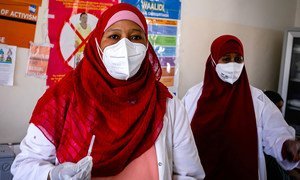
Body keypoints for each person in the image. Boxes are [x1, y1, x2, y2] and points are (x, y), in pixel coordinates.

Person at [11, 3, 205, 180]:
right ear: (97, 43)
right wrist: (52, 175)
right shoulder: (64, 97)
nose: (125, 45)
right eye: (114, 36)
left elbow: (189, 174)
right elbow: (23, 167)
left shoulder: (167, 105)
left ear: (147, 45)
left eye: (136, 37)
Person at [182, 35, 300, 180]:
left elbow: (276, 132)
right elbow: (180, 138)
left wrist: (287, 144)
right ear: (213, 61)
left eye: (238, 59)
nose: (233, 65)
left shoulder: (258, 99)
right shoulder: (193, 96)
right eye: (226, 59)